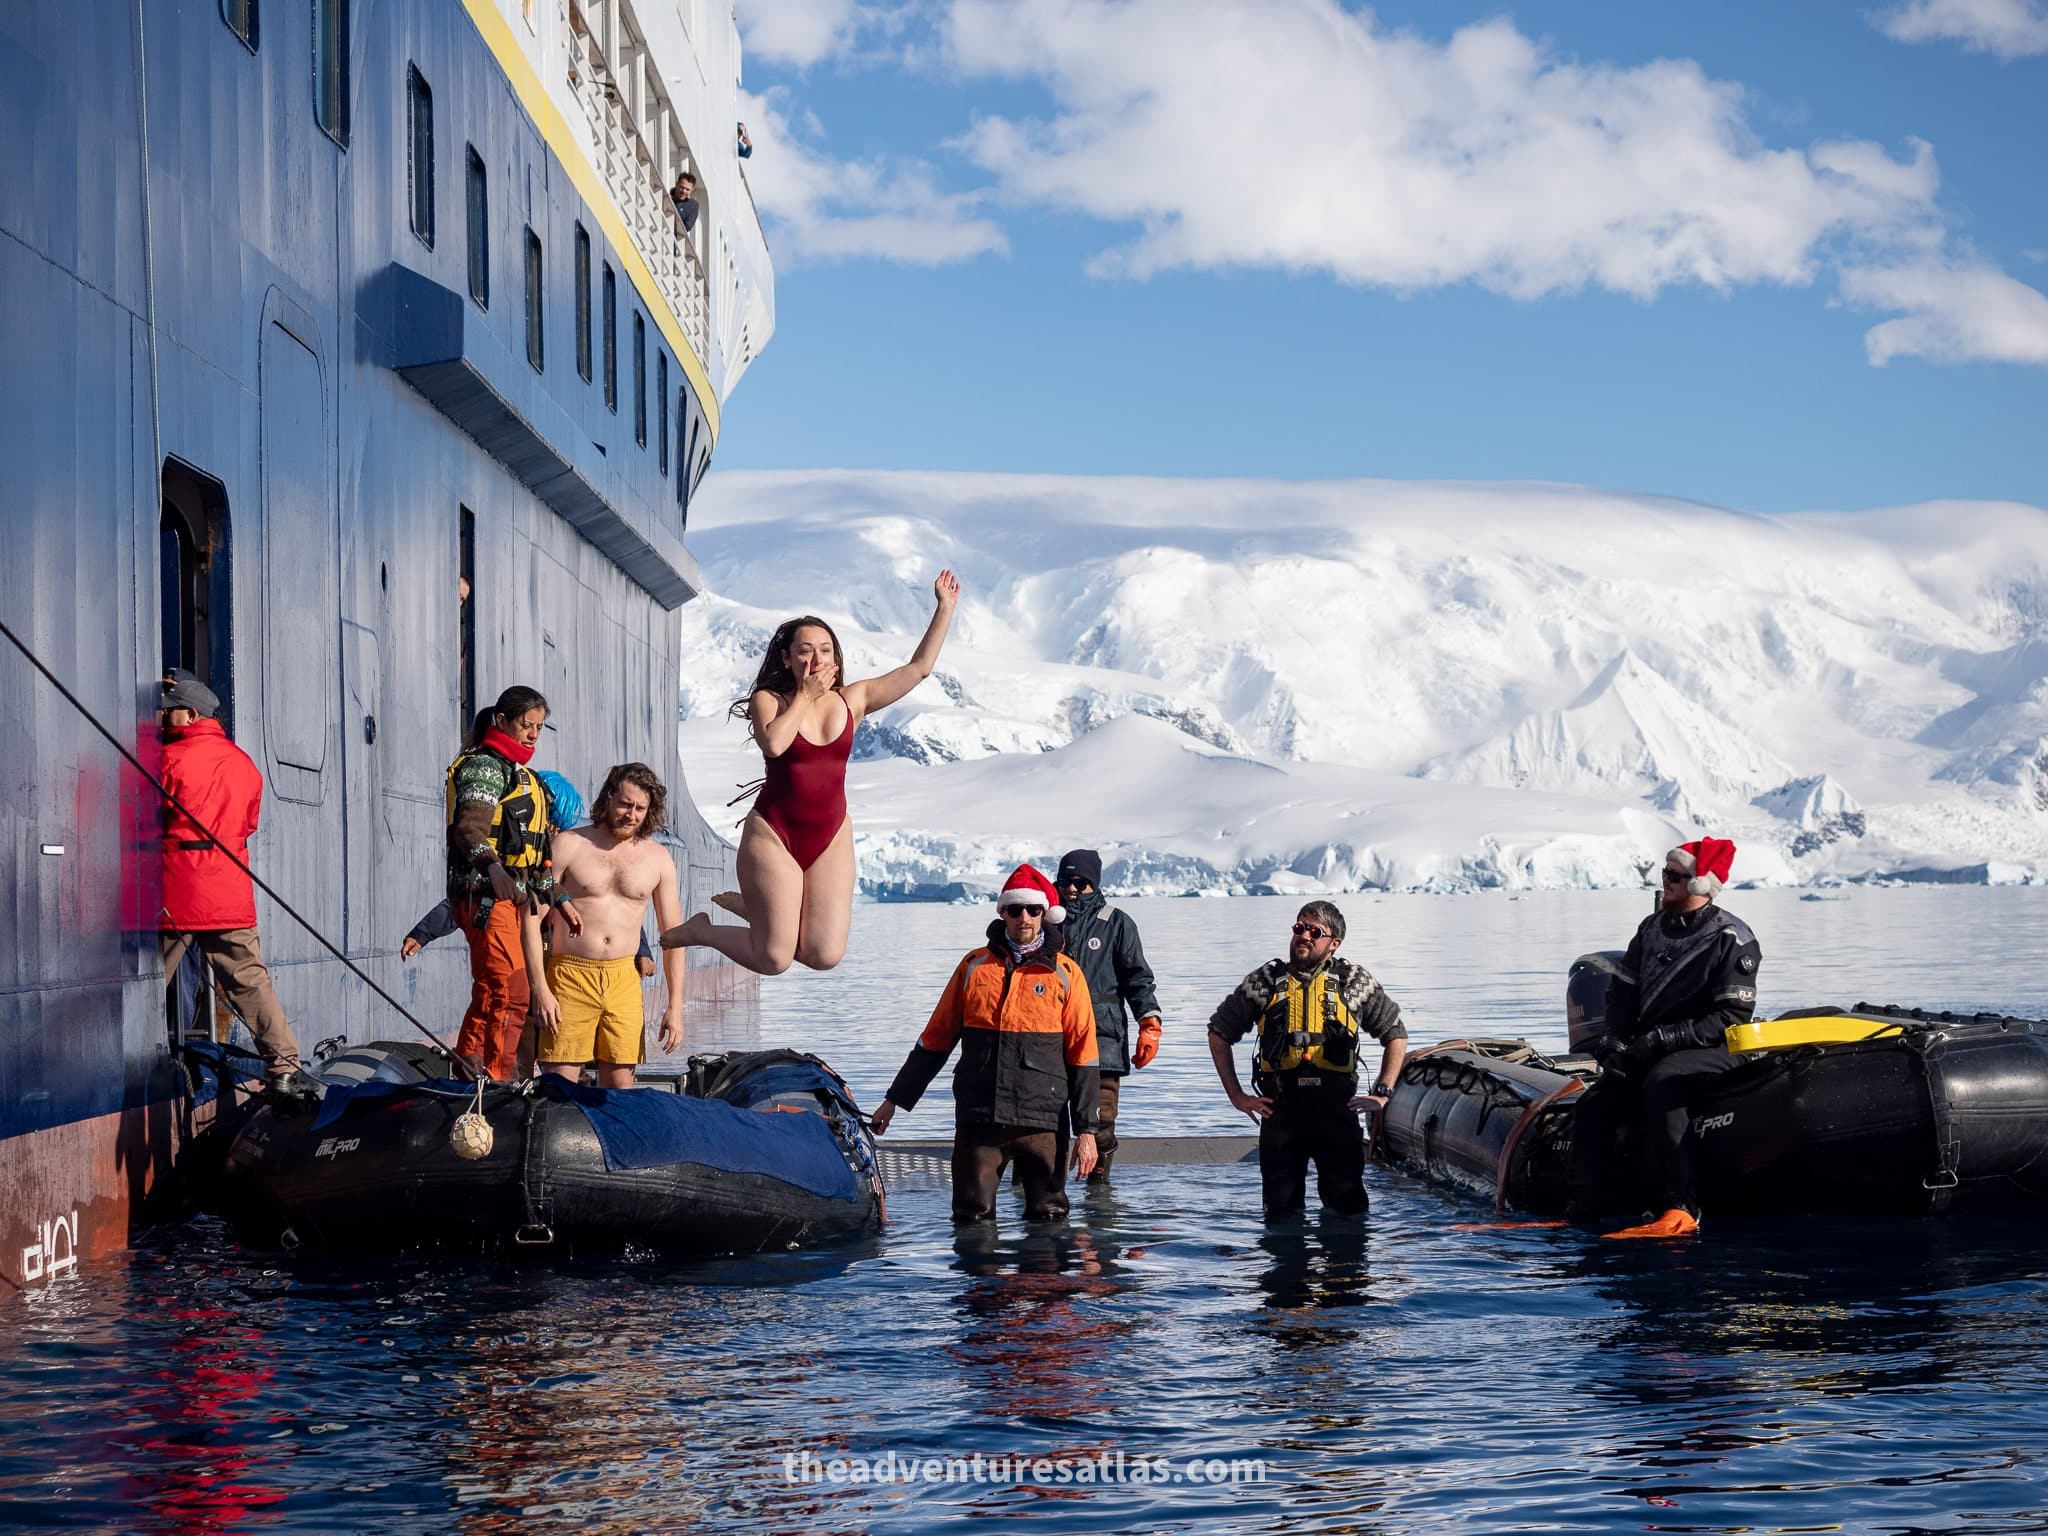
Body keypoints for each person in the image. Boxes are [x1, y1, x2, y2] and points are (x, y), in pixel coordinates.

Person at [661, 570, 961, 975]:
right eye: (805, 651)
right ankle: (705, 930)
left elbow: (919, 668)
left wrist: (944, 608)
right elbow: (775, 744)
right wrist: (804, 695)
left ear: (836, 659)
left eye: (824, 650)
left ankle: (759, 914)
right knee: (774, 959)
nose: (816, 660)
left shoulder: (854, 699)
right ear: (787, 658)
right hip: (774, 833)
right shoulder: (770, 700)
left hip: (831, 834)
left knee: (824, 955)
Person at [869, 865, 1101, 1224]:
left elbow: (1083, 1056)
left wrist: (1087, 1131)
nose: (1024, 918)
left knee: (1049, 1218)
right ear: (1002, 912)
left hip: (1042, 1120)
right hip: (980, 1117)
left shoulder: (1066, 974)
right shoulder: (973, 966)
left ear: (1045, 915)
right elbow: (935, 1039)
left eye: (1033, 910)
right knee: (970, 1218)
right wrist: (894, 1100)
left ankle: (1043, 1281)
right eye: (1015, 909)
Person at [1565, 838, 1761, 1240]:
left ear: (1699, 885)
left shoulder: (1732, 938)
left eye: (1676, 876)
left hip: (1715, 1048)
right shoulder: (1650, 929)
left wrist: (1661, 1040)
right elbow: (1622, 994)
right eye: (1665, 874)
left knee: (1664, 1081)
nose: (1666, 882)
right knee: (1595, 1105)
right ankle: (1579, 1210)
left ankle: (1682, 1205)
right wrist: (1614, 1042)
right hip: (1650, 1044)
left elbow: (1731, 1017)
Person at [156, 669, 316, 1100]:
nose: (160, 719)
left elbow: (144, 819)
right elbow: (247, 825)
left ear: (190, 715)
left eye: (168, 713)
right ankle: (285, 1066)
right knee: (249, 980)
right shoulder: (244, 764)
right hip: (228, 887)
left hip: (177, 889)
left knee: (149, 977)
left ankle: (137, 1059)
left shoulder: (165, 760)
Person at [1207, 901, 1408, 1219]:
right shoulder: (1266, 980)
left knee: (1348, 1209)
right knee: (1281, 1211)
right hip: (1281, 1113)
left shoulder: (1353, 982)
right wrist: (1237, 1096)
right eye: (1299, 928)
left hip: (1337, 1114)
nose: (1304, 936)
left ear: (1334, 943)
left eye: (1315, 931)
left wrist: (1382, 1093)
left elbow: (1395, 1034)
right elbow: (1219, 1033)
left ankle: (1345, 1267)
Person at [444, 686, 577, 1081]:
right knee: (512, 991)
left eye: (539, 727)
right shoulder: (484, 768)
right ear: (502, 721)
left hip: (514, 898)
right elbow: (469, 829)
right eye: (526, 724)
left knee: (492, 988)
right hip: (487, 896)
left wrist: (561, 898)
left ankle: (468, 1065)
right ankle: (497, 1079)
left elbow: (534, 856)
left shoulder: (524, 776)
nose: (533, 734)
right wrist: (493, 868)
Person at [529, 763, 686, 1088]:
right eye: (625, 804)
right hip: (570, 976)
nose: (631, 814)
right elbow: (530, 918)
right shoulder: (570, 845)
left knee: (620, 1093)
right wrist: (540, 989)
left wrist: (675, 1006)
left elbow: (673, 937)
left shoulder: (657, 859)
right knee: (559, 1090)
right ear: (609, 797)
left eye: (640, 808)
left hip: (623, 980)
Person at [1052, 849, 1161, 1184]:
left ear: (1094, 883)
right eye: (1066, 880)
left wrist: (1149, 1022)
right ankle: (1038, 1192)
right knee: (1043, 1124)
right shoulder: (1043, 919)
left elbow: (1138, 978)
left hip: (1102, 1039)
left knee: (1100, 1123)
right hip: (1049, 1038)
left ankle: (1099, 1195)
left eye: (1081, 882)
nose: (1072, 888)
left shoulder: (1116, 922)